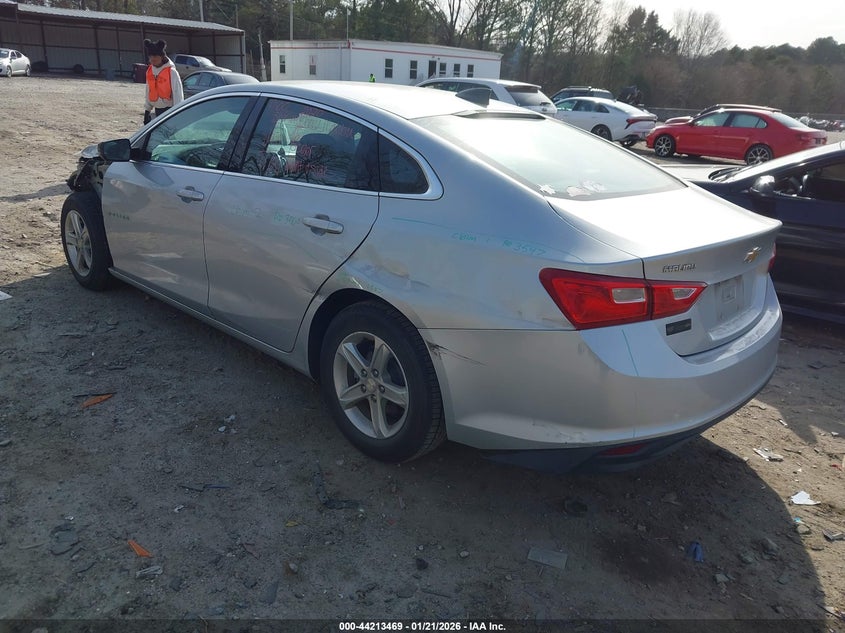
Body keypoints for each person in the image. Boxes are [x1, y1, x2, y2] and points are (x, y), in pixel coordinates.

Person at [143, 39, 183, 125]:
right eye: (150, 56)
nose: (152, 59)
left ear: (161, 56)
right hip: (157, 109)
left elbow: (178, 93)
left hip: (169, 110)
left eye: (155, 56)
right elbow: (148, 90)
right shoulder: (150, 71)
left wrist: (177, 112)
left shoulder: (171, 72)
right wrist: (147, 110)